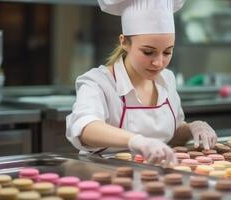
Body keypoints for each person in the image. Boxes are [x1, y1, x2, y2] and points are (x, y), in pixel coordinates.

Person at [66, 0, 217, 165]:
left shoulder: (167, 79)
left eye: (167, 52)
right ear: (124, 42)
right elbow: (85, 127)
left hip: (156, 178)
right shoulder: (98, 82)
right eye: (148, 52)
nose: (158, 63)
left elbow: (170, 133)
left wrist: (192, 127)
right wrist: (136, 141)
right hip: (106, 176)